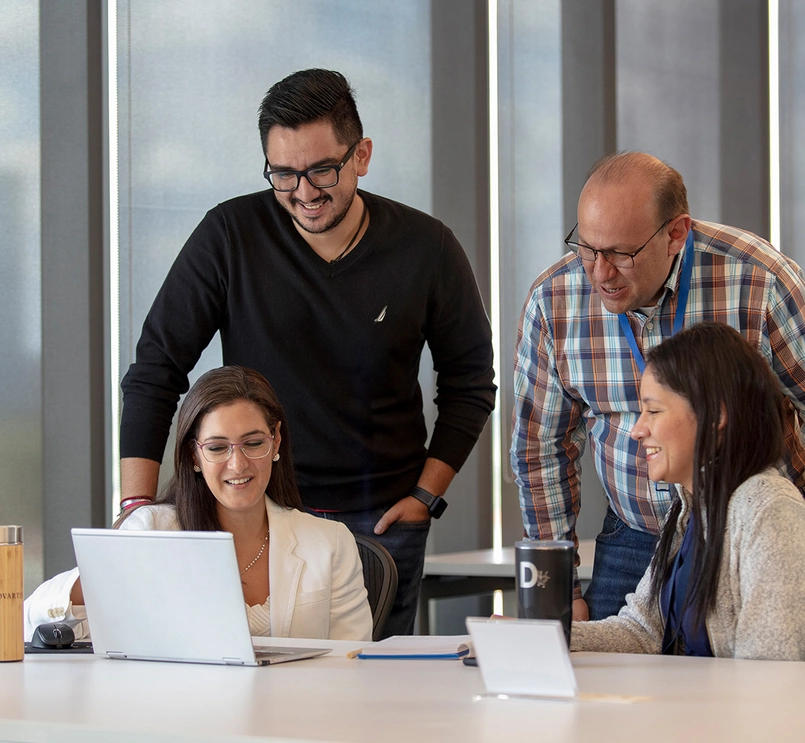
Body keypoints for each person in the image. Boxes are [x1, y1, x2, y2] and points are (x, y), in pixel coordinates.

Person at [118, 69, 496, 636]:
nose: (304, 192)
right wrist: (136, 511)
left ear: (361, 154)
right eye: (283, 174)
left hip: (382, 517)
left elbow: (470, 383)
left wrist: (426, 497)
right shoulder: (230, 235)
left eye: (322, 169)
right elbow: (155, 370)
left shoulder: (426, 246)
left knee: (366, 699)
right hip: (252, 505)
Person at [511, 151, 805, 622]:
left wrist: (791, 519)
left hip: (751, 530)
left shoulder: (759, 282)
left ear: (676, 234)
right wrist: (559, 592)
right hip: (637, 533)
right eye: (586, 249)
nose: (600, 273)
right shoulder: (554, 300)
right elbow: (539, 447)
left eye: (622, 254)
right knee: (607, 679)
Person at [25, 366, 373, 642]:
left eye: (252, 443)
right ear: (194, 454)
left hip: (294, 724)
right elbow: (31, 619)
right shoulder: (154, 530)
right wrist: (103, 575)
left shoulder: (329, 543)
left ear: (276, 440)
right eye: (218, 448)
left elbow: (352, 666)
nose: (238, 465)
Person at [571, 323, 805, 660]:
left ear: (716, 416)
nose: (637, 430)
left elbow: (768, 673)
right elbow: (643, 632)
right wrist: (544, 637)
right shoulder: (685, 512)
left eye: (653, 410)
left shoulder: (770, 512)